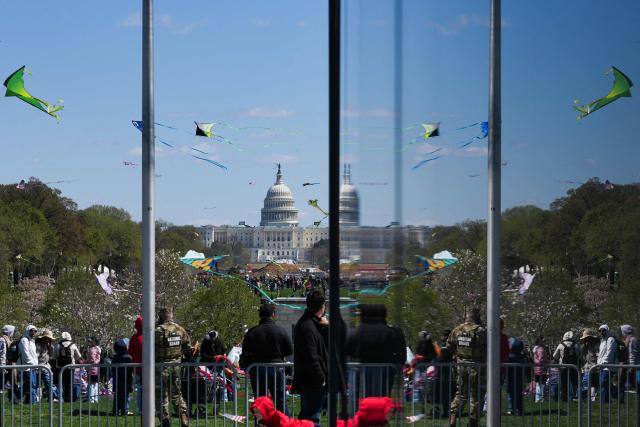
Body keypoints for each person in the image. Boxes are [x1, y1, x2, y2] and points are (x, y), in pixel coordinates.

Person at [240, 303, 293, 413]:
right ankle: (284, 424)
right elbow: (289, 350)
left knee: (260, 401)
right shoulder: (280, 330)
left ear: (260, 315)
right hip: (277, 368)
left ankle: (260, 423)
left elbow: (245, 353)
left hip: (258, 368)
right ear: (273, 314)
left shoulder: (252, 332)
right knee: (280, 400)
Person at [347, 304, 406, 397]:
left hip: (362, 373)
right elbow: (402, 355)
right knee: (383, 399)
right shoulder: (393, 333)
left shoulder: (356, 332)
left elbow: (348, 351)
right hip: (385, 374)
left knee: (361, 400)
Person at [292, 290, 329, 425]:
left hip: (310, 380)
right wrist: (321, 378)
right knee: (311, 418)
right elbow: (312, 356)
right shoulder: (308, 326)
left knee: (308, 417)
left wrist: (326, 328)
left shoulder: (310, 324)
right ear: (322, 306)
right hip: (313, 380)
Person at [447, 308, 486, 427]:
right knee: (476, 396)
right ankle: (473, 422)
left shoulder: (457, 330)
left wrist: (457, 355)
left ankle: (453, 416)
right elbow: (488, 347)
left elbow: (449, 345)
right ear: (477, 318)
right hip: (476, 366)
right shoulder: (480, 331)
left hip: (461, 366)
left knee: (461, 394)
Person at [155, 307, 192, 427]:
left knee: (161, 394)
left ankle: (165, 419)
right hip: (176, 365)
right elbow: (188, 346)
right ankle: (183, 417)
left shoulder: (158, 330)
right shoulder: (180, 329)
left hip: (161, 366)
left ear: (161, 316)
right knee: (176, 393)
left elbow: (151, 348)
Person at [53, 331, 83, 402]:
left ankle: (61, 398)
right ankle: (70, 398)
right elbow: (78, 356)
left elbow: (54, 356)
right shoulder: (73, 345)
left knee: (61, 383)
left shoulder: (58, 345)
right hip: (70, 367)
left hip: (60, 367)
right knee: (70, 383)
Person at [552, 331, 579, 401]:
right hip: (573, 367)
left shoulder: (561, 345)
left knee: (564, 383)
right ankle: (574, 396)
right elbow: (579, 355)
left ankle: (564, 398)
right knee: (574, 382)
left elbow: (555, 356)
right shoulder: (576, 345)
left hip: (563, 367)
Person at [620, 325, 639, 416]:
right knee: (622, 383)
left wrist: (632, 367)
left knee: (636, 384)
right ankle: (621, 400)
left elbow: (633, 354)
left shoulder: (633, 340)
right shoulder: (627, 340)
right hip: (628, 366)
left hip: (633, 367)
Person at [111, 339, 133, 416]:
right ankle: (125, 410)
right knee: (126, 396)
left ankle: (116, 410)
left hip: (117, 380)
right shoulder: (128, 358)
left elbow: (113, 369)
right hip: (126, 379)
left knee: (117, 395)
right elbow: (131, 369)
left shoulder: (114, 358)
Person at [17, 325, 39, 403]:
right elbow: (25, 353)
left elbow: (34, 355)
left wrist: (35, 365)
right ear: (27, 331)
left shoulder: (32, 341)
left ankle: (21, 398)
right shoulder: (24, 340)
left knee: (29, 384)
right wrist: (31, 364)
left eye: (35, 331)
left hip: (32, 367)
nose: (33, 332)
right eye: (31, 330)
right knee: (31, 384)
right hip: (27, 367)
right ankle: (31, 402)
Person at [35, 329, 57, 402]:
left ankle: (51, 397)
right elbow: (36, 356)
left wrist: (50, 346)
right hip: (39, 366)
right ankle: (38, 398)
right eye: (48, 338)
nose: (49, 340)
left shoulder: (48, 345)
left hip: (45, 367)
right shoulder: (38, 345)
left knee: (48, 383)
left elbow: (51, 355)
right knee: (38, 384)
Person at [506, 338, 526, 416]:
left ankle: (512, 409)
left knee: (511, 393)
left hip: (511, 377)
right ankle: (519, 410)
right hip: (519, 377)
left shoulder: (510, 357)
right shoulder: (521, 357)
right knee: (519, 394)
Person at [579, 329, 600, 402]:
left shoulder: (596, 345)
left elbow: (598, 356)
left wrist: (598, 366)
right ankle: (590, 397)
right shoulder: (584, 347)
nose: (585, 340)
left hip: (594, 367)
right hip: (587, 367)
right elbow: (583, 357)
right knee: (589, 383)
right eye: (585, 338)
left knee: (591, 383)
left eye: (587, 338)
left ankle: (591, 397)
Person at [597, 324, 617, 403]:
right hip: (601, 366)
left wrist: (602, 363)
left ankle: (605, 400)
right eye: (600, 330)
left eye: (603, 330)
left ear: (607, 331)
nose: (601, 332)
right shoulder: (602, 341)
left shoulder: (610, 339)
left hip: (608, 366)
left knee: (604, 382)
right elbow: (601, 354)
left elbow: (609, 353)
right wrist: (598, 364)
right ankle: (607, 399)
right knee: (604, 383)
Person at [127, 316, 143, 414]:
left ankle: (141, 408)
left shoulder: (134, 338)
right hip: (147, 368)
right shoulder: (150, 336)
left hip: (137, 367)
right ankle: (147, 408)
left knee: (139, 389)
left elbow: (130, 352)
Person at [0, 325, 16, 400]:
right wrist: (3, 366)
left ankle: (12, 398)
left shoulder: (9, 341)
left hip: (9, 365)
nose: (13, 333)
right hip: (4, 366)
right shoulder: (2, 340)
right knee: (2, 383)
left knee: (12, 382)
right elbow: (2, 353)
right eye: (12, 332)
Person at [532, 336, 550, 403]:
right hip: (542, 368)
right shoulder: (541, 349)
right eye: (543, 341)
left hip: (537, 368)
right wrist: (548, 361)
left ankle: (538, 398)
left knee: (538, 384)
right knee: (542, 384)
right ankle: (541, 398)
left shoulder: (535, 348)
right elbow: (541, 359)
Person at [86, 337, 101, 403]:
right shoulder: (97, 349)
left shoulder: (93, 349)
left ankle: (91, 399)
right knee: (95, 384)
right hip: (95, 368)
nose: (89, 343)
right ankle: (95, 398)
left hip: (92, 368)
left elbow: (92, 359)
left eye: (90, 341)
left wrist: (89, 362)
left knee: (92, 384)